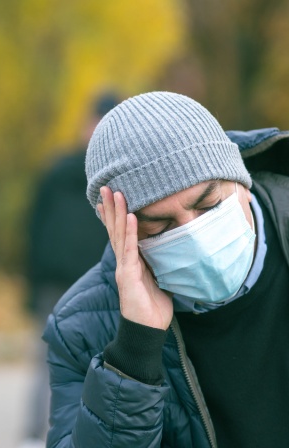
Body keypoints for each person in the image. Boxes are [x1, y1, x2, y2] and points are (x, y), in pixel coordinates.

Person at [43, 91, 289, 447]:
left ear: (241, 180)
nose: (195, 235)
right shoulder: (82, 328)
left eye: (208, 204)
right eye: (159, 228)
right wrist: (134, 349)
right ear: (119, 230)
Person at [20, 92, 120, 448]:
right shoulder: (58, 171)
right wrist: (30, 284)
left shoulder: (123, 179)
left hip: (106, 283)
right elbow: (34, 230)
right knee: (49, 360)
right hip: (57, 281)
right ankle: (38, 433)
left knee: (103, 363)